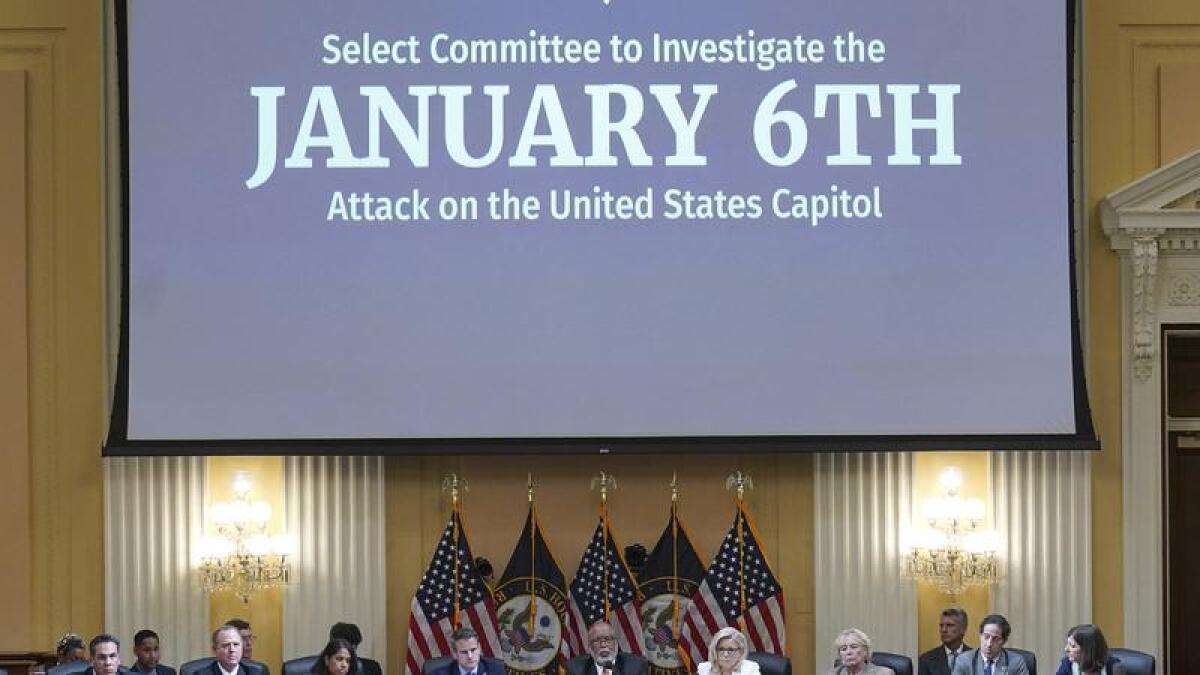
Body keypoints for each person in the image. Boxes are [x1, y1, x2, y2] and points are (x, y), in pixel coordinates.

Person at [951, 615, 1029, 675]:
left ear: (1004, 641)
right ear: (980, 636)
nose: (989, 644)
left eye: (995, 639)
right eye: (986, 637)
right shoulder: (964, 661)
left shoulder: (1016, 663)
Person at [567, 620, 649, 675]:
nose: (603, 644)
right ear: (589, 647)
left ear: (616, 643)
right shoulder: (574, 668)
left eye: (607, 639)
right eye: (596, 640)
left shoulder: (636, 665)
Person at [426, 628, 506, 675]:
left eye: (473, 650)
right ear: (454, 654)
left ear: (479, 649)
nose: (470, 656)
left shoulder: (497, 670)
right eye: (464, 652)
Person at [1054, 625, 1123, 675]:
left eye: (1072, 646)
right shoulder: (1067, 665)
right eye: (1067, 644)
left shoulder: (1113, 668)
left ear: (1088, 650)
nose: (1066, 649)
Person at [919, 609, 971, 675]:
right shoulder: (926, 660)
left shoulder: (976, 659)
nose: (944, 630)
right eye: (941, 625)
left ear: (963, 629)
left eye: (949, 625)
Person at [826, 628, 893, 675]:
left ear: (865, 651)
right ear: (840, 655)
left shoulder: (884, 673)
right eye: (844, 649)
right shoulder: (834, 673)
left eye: (853, 647)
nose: (848, 652)